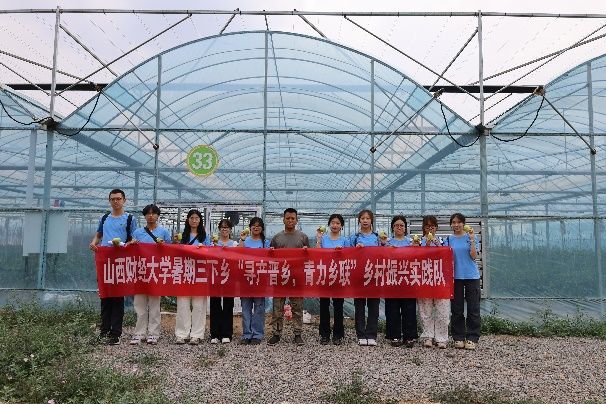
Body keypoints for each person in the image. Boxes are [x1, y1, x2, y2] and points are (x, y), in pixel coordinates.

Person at [89, 189, 138, 345]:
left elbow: (134, 238)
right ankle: (104, 330)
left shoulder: (130, 218)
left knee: (117, 297)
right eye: (113, 199)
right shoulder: (105, 218)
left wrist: (127, 244)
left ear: (124, 200)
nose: (115, 201)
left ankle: (115, 333)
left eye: (118, 198)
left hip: (120, 262)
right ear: (109, 201)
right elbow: (99, 235)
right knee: (105, 296)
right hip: (105, 261)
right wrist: (94, 243)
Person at [128, 204, 171, 345]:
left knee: (154, 304)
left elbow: (170, 251)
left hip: (155, 271)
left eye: (153, 213)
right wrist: (131, 244)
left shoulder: (164, 232)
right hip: (140, 272)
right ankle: (139, 333)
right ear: (145, 216)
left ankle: (153, 333)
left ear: (158, 215)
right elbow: (131, 251)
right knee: (139, 304)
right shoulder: (138, 232)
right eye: (148, 213)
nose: (151, 216)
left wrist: (164, 246)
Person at [267, 208, 310, 346]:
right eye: (288, 218)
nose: (290, 220)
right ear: (283, 219)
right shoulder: (276, 238)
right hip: (280, 278)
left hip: (296, 278)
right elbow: (270, 257)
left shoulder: (303, 237)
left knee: (297, 307)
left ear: (297, 220)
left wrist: (306, 252)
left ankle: (297, 333)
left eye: (293, 218)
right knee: (277, 308)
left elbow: (309, 257)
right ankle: (276, 333)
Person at [349, 209, 386, 347]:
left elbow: (384, 254)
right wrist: (356, 249)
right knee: (359, 306)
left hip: (374, 275)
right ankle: (360, 334)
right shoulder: (354, 237)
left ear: (371, 221)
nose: (365, 221)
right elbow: (348, 254)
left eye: (367, 218)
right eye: (363, 218)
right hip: (359, 275)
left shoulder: (378, 237)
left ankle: (371, 334)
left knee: (373, 306)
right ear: (359, 220)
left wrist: (383, 244)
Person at [444, 213, 481, 350]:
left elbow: (474, 256)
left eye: (459, 222)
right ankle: (458, 337)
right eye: (453, 222)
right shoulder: (449, 239)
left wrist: (471, 240)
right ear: (451, 224)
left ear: (463, 223)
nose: (456, 225)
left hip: (472, 276)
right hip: (455, 277)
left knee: (473, 308)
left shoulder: (471, 237)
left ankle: (472, 337)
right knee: (457, 309)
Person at [175, 209, 211, 345]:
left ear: (200, 220)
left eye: (197, 218)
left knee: (199, 305)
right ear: (188, 220)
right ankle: (182, 334)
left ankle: (197, 334)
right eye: (192, 218)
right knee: (182, 304)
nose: (194, 220)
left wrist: (204, 248)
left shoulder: (205, 237)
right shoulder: (182, 236)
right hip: (184, 272)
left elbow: (210, 253)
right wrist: (176, 244)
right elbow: (176, 253)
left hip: (200, 273)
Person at [315, 214, 350, 345]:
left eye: (337, 223)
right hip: (324, 275)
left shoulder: (345, 240)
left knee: (338, 305)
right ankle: (324, 334)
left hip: (339, 276)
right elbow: (317, 253)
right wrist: (318, 239)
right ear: (329, 224)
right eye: (333, 223)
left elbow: (350, 257)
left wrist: (342, 253)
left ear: (341, 226)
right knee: (324, 305)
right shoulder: (323, 239)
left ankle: (338, 334)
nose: (335, 225)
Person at [385, 215, 418, 348]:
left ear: (405, 228)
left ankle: (409, 336)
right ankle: (394, 335)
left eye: (401, 225)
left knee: (409, 308)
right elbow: (381, 257)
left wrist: (416, 248)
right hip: (392, 279)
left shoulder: (411, 242)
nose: (399, 227)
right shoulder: (387, 242)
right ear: (392, 227)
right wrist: (386, 249)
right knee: (392, 308)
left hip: (408, 279)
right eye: (396, 225)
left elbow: (417, 258)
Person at [417, 215, 450, 349]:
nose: (430, 229)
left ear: (436, 227)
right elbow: (415, 257)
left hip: (440, 278)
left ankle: (441, 338)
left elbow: (448, 255)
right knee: (425, 310)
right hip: (424, 278)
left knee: (443, 310)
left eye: (432, 226)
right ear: (423, 228)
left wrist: (437, 245)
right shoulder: (418, 241)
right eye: (427, 226)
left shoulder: (443, 241)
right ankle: (428, 336)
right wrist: (426, 245)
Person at [238, 217, 270, 345]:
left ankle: (257, 334)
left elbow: (270, 258)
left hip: (260, 280)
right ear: (250, 227)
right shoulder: (245, 241)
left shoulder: (265, 242)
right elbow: (237, 255)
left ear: (262, 228)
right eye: (253, 225)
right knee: (245, 308)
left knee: (259, 308)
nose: (256, 228)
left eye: (258, 225)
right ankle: (247, 334)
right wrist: (241, 240)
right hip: (245, 279)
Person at [209, 218, 238, 344]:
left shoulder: (235, 244)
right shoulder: (213, 243)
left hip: (229, 277)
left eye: (227, 227)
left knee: (228, 304)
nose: (224, 229)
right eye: (222, 227)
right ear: (219, 229)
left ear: (230, 230)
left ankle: (227, 333)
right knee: (215, 304)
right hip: (215, 276)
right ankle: (215, 334)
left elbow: (238, 257)